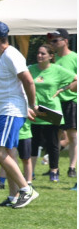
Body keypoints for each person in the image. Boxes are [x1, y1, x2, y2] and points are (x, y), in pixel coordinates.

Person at [0, 21, 39, 209]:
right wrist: (26, 107)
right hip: (8, 111)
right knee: (9, 153)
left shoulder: (11, 54)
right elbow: (18, 83)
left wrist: (32, 104)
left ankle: (26, 189)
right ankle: (13, 196)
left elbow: (28, 80)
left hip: (9, 112)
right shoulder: (4, 56)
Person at [28, 43, 77, 183]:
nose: (39, 55)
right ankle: (30, 173)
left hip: (52, 110)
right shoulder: (31, 69)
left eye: (43, 53)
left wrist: (63, 89)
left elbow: (76, 79)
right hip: (35, 109)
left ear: (51, 56)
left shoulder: (57, 70)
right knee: (34, 142)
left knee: (52, 143)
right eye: (38, 53)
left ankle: (54, 172)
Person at [48, 28, 78, 179]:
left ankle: (72, 168)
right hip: (55, 103)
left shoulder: (74, 57)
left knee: (73, 136)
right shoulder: (51, 58)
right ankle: (54, 167)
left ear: (65, 41)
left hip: (72, 101)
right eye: (51, 40)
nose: (52, 43)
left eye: (55, 40)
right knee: (54, 136)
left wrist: (67, 89)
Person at [0, 120, 33, 189]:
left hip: (24, 135)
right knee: (6, 158)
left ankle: (29, 182)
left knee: (26, 159)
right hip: (10, 135)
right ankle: (1, 182)